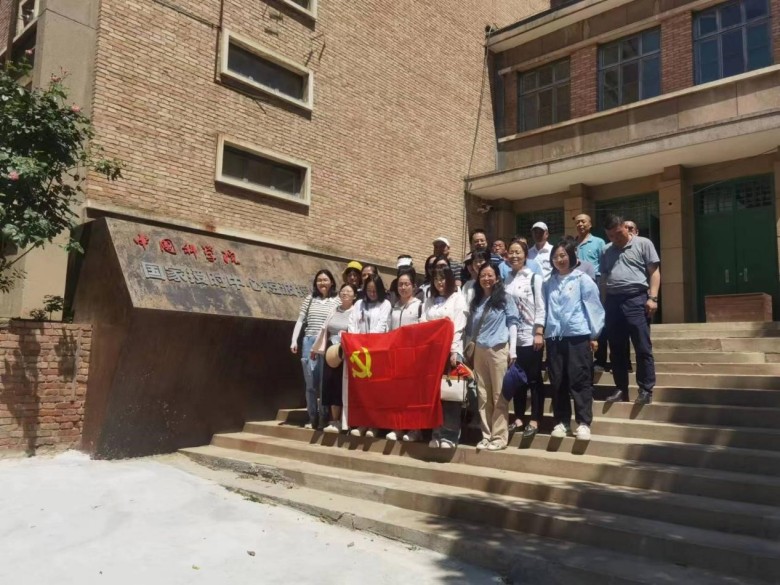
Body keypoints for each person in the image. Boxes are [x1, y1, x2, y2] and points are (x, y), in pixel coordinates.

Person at [544, 240, 604, 440]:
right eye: (555, 257)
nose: (559, 260)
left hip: (577, 336)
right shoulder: (549, 283)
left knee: (580, 380)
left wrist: (594, 335)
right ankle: (562, 422)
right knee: (558, 380)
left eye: (563, 255)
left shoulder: (582, 279)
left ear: (571, 256)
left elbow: (594, 307)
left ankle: (584, 422)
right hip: (554, 337)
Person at [600, 214, 660, 405]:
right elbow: (604, 278)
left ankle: (645, 389)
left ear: (625, 227)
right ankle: (621, 389)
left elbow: (654, 272)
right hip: (613, 301)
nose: (615, 239)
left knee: (642, 346)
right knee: (616, 348)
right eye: (611, 236)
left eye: (618, 234)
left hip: (636, 299)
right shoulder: (606, 250)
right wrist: (602, 304)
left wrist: (653, 298)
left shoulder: (643, 244)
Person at [469, 263, 519, 451]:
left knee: (499, 395)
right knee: (483, 395)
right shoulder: (477, 300)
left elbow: (513, 323)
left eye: (490, 275)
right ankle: (486, 434)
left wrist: (513, 350)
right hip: (480, 350)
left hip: (498, 348)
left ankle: (499, 437)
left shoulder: (505, 298)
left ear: (497, 278)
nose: (486, 278)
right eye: (483, 275)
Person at [421, 266, 469, 448]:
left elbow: (458, 326)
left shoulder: (457, 298)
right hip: (432, 354)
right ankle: (436, 432)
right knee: (434, 395)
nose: (439, 282)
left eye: (442, 278)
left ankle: (450, 435)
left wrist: (454, 350)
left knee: (450, 395)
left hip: (450, 352)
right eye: (436, 279)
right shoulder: (429, 301)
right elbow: (423, 322)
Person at [504, 239, 545, 438]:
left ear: (525, 255)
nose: (514, 256)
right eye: (511, 252)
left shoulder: (534, 278)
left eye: (518, 252)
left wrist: (539, 332)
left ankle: (535, 419)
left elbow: (540, 306)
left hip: (531, 337)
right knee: (517, 379)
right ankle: (519, 417)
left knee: (534, 379)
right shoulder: (506, 280)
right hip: (513, 339)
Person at [290, 270, 340, 429]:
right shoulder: (309, 299)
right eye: (319, 280)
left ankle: (323, 417)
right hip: (309, 341)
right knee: (310, 383)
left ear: (331, 282)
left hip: (326, 342)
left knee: (324, 382)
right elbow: (300, 320)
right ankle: (312, 417)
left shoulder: (337, 300)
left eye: (325, 280)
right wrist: (294, 340)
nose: (322, 283)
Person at [348, 273, 392, 437]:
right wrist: (356, 341)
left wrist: (368, 342)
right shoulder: (359, 304)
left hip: (376, 351)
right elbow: (352, 323)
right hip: (359, 351)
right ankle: (362, 422)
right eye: (369, 290)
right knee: (362, 390)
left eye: (375, 291)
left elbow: (381, 325)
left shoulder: (385, 304)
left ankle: (374, 425)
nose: (372, 294)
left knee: (375, 390)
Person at [311, 283, 358, 433]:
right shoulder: (334, 310)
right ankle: (333, 420)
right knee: (330, 384)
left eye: (349, 291)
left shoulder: (356, 311)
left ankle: (345, 421)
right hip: (330, 352)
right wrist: (315, 349)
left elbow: (356, 331)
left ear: (354, 296)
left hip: (345, 352)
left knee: (341, 385)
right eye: (343, 291)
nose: (345, 293)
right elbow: (324, 329)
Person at [387, 268, 424, 442]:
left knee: (413, 395)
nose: (403, 287)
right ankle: (398, 427)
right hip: (396, 357)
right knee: (397, 394)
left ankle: (415, 429)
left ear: (413, 286)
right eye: (400, 284)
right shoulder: (394, 308)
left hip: (413, 357)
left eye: (406, 284)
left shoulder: (419, 306)